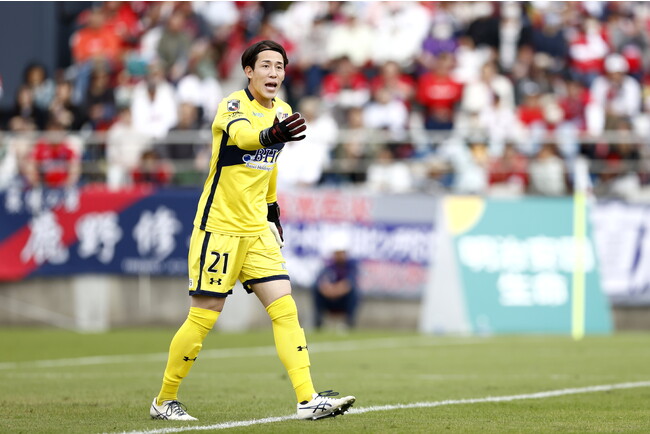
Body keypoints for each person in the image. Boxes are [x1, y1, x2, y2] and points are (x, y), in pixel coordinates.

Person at [149, 40, 355, 422]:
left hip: (256, 228)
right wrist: (272, 135)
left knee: (285, 308)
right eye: (266, 65)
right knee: (204, 315)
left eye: (279, 66)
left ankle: (307, 398)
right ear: (249, 71)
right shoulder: (232, 106)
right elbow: (246, 139)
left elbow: (270, 162)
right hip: (219, 227)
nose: (274, 72)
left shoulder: (283, 110)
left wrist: (272, 206)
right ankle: (164, 400)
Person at [312, 233, 360, 330]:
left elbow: (349, 283)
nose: (340, 255)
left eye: (342, 253)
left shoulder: (351, 265)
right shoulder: (328, 265)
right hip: (328, 299)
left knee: (355, 292)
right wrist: (328, 290)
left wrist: (336, 290)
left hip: (344, 299)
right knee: (314, 288)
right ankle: (318, 322)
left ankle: (349, 323)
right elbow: (321, 281)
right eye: (338, 253)